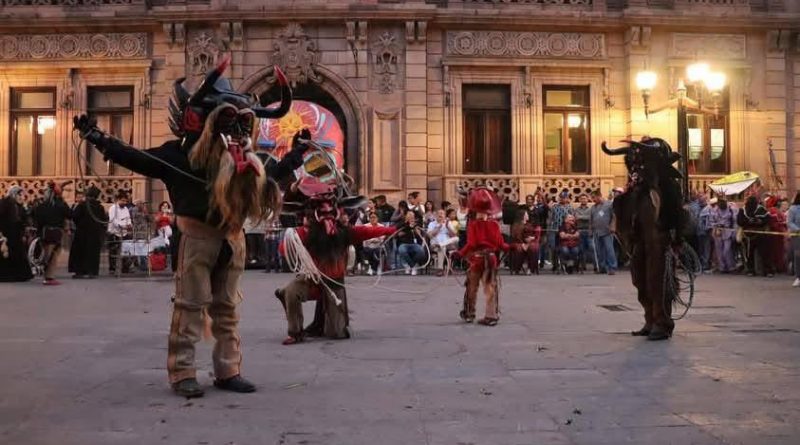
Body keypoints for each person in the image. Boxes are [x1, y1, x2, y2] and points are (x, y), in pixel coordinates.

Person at [74, 57, 296, 398]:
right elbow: (138, 157)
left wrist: (296, 156)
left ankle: (228, 370)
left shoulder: (245, 159)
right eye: (228, 121)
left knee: (227, 308)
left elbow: (271, 175)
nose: (236, 132)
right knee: (190, 307)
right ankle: (183, 372)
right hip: (196, 238)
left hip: (232, 239)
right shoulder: (180, 155)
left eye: (242, 124)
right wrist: (100, 139)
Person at [276, 177, 395, 344]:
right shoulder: (306, 233)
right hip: (312, 280)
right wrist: (294, 240)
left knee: (337, 333)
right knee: (290, 291)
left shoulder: (345, 233)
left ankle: (329, 320)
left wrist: (393, 229)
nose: (326, 213)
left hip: (334, 283)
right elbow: (283, 248)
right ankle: (295, 332)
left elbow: (368, 231)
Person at [452, 188, 517, 326]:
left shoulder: (473, 225)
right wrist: (511, 247)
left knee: (471, 286)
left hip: (477, 259)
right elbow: (500, 244)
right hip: (491, 259)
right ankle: (491, 316)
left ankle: (469, 313)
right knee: (490, 288)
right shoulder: (494, 225)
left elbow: (471, 244)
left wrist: (459, 254)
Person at [31, 182, 71, 285]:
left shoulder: (42, 206)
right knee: (52, 255)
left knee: (47, 254)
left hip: (44, 232)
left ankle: (47, 275)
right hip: (55, 233)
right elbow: (69, 214)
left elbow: (37, 219)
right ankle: (49, 277)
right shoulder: (59, 204)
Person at [69, 186, 107, 279]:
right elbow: (103, 220)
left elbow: (74, 216)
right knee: (92, 252)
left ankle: (80, 272)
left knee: (81, 252)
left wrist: (79, 224)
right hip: (94, 233)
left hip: (82, 232)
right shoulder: (100, 207)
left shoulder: (82, 205)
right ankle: (92, 272)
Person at [0, 186, 33, 282]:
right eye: (20, 194)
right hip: (8, 233)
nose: (22, 197)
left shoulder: (15, 204)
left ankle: (17, 275)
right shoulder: (7, 203)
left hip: (14, 233)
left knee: (16, 253)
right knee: (8, 254)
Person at [737, 195, 774, 277]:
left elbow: (768, 219)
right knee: (749, 254)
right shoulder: (743, 210)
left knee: (764, 253)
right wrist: (749, 222)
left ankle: (768, 271)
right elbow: (739, 221)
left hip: (761, 234)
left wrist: (759, 221)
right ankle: (750, 270)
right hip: (748, 236)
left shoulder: (761, 209)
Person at [590, 190, 616, 275]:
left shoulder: (609, 204)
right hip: (596, 232)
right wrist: (590, 230)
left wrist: (613, 226)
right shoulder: (593, 207)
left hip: (607, 231)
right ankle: (602, 267)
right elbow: (591, 220)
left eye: (594, 197)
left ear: (599, 196)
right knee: (599, 251)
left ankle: (612, 267)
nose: (592, 199)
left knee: (609, 250)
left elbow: (614, 216)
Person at [547, 191, 573, 271]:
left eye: (565, 197)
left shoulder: (570, 208)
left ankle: (566, 264)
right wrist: (549, 228)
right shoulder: (555, 207)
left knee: (565, 247)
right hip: (554, 229)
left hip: (565, 230)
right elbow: (550, 218)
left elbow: (572, 219)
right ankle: (555, 265)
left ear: (567, 198)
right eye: (561, 197)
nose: (563, 199)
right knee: (553, 247)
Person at [427, 209, 459, 276]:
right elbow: (430, 235)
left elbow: (453, 235)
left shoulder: (448, 223)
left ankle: (441, 245)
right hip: (435, 244)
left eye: (442, 213)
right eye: (439, 213)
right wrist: (439, 227)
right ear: (436, 215)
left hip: (447, 244)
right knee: (442, 248)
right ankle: (440, 269)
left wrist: (447, 227)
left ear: (445, 216)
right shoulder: (432, 224)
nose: (440, 215)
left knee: (457, 238)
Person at [107, 192, 133, 274]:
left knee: (126, 250)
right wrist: (122, 226)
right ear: (118, 200)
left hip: (124, 233)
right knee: (113, 251)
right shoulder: (113, 208)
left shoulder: (125, 209)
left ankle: (125, 268)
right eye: (123, 201)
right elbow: (113, 220)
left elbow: (128, 218)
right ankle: (112, 269)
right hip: (114, 232)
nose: (124, 203)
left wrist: (129, 224)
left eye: (126, 201)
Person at [509, 208, 540, 275]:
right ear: (522, 216)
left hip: (528, 242)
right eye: (526, 214)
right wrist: (523, 244)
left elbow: (533, 234)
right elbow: (516, 237)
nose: (528, 215)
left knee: (533, 247)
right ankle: (517, 268)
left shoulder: (529, 225)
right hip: (518, 242)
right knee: (519, 248)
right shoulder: (515, 225)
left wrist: (532, 238)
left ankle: (530, 268)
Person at [396, 210, 427, 275]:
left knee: (421, 251)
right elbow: (399, 234)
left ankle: (411, 265)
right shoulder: (401, 224)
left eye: (412, 216)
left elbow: (419, 234)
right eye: (409, 215)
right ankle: (413, 266)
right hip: (403, 244)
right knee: (402, 250)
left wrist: (415, 228)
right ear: (406, 216)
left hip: (414, 244)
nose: (411, 217)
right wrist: (408, 227)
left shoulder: (416, 225)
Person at [711, 198, 737, 273]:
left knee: (727, 250)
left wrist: (734, 233)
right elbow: (711, 220)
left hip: (728, 231)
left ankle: (731, 266)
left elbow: (735, 222)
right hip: (718, 231)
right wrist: (716, 226)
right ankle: (722, 267)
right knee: (719, 250)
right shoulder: (715, 210)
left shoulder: (731, 209)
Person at [765, 195, 787, 274]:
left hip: (778, 234)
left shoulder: (773, 210)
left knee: (778, 252)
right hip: (776, 235)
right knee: (778, 252)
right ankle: (779, 267)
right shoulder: (774, 211)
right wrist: (783, 229)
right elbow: (776, 224)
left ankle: (778, 266)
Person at [573, 194, 593, 270]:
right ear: (579, 200)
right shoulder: (576, 209)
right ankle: (583, 266)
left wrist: (581, 217)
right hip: (580, 230)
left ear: (587, 199)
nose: (583, 200)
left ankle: (595, 266)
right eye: (582, 199)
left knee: (592, 248)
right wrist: (585, 217)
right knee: (581, 249)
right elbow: (576, 218)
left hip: (588, 230)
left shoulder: (591, 209)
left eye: (585, 198)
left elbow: (590, 218)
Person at [788, 193, 800, 287]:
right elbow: (790, 222)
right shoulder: (793, 209)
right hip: (797, 235)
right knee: (798, 256)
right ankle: (798, 277)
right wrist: (797, 229)